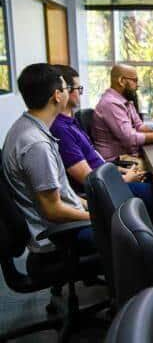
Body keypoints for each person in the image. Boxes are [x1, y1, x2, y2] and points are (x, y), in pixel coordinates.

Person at [49, 65, 153, 228]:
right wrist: (124, 179)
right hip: (102, 187)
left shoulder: (71, 121)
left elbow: (95, 160)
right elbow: (87, 179)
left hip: (107, 174)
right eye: (78, 88)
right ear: (62, 92)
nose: (80, 93)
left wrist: (121, 172)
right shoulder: (61, 129)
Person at [2, 63, 92, 252]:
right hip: (60, 235)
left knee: (121, 215)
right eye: (66, 88)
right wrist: (96, 217)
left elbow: (63, 195)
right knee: (130, 232)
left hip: (69, 222)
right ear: (57, 96)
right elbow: (53, 210)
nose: (69, 92)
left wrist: (96, 204)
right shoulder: (36, 145)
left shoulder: (26, 126)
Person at [92, 64, 153, 161]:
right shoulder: (110, 103)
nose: (138, 85)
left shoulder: (126, 101)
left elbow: (139, 126)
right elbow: (130, 139)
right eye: (135, 80)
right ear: (121, 81)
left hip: (129, 156)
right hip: (116, 162)